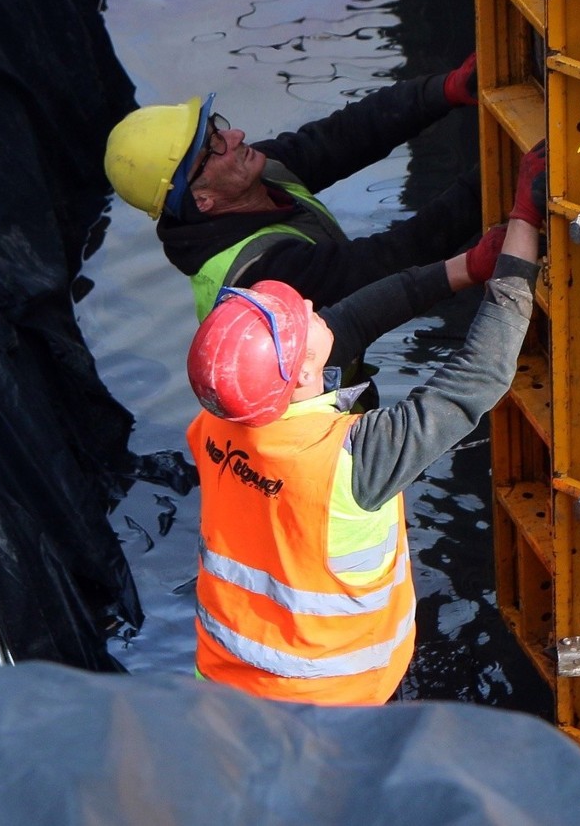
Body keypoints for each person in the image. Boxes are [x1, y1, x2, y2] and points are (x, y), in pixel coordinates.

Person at [184, 143, 546, 705]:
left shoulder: (218, 420)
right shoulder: (352, 460)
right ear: (304, 371)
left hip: (226, 692)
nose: (309, 305)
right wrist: (524, 230)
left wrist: (463, 268)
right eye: (300, 317)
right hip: (335, 709)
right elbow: (480, 375)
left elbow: (347, 321)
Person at [104, 56, 482, 320]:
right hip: (304, 417)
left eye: (217, 128)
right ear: (201, 199)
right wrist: (491, 180)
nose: (235, 136)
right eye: (213, 146)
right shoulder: (258, 276)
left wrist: (444, 90)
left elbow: (343, 137)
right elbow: (385, 261)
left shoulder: (252, 175)